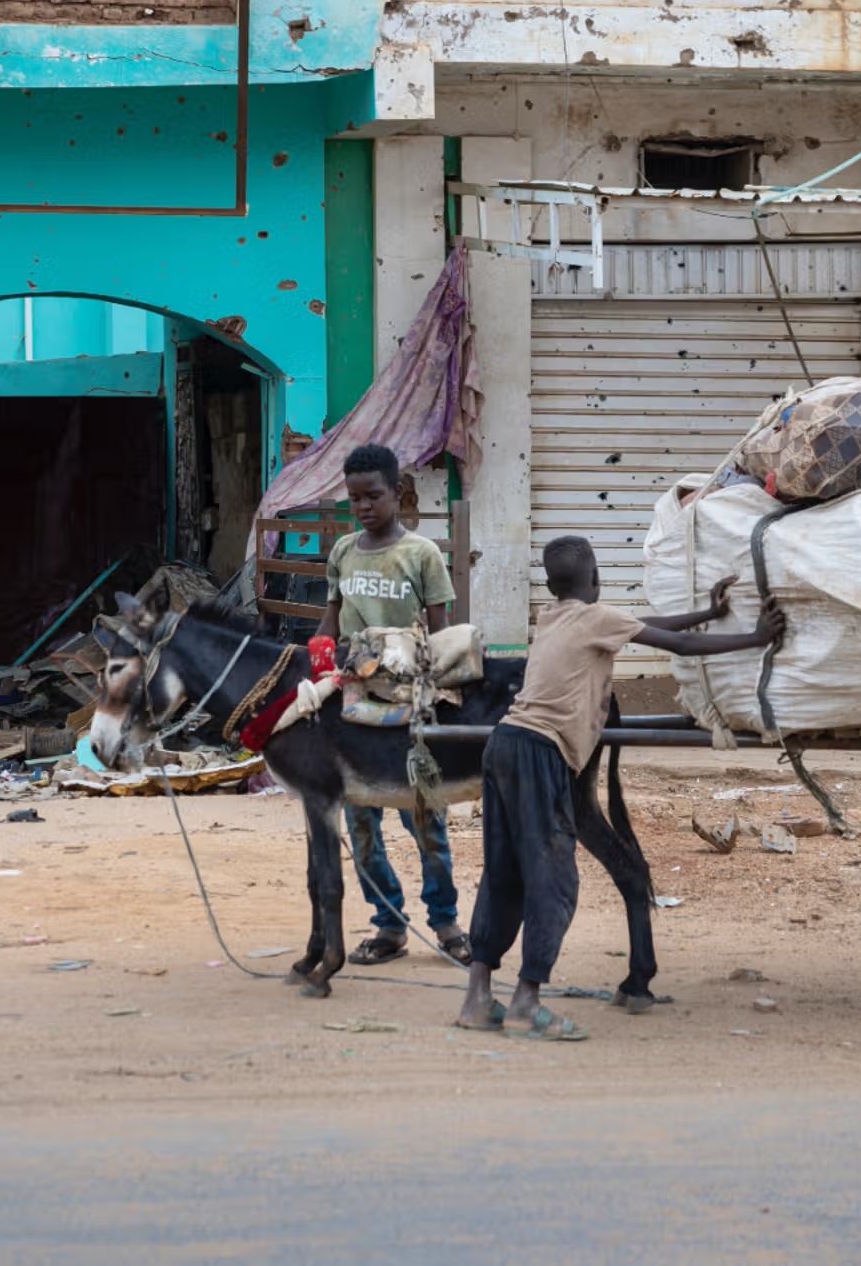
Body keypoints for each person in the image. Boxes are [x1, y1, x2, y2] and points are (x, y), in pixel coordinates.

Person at [456, 536, 784, 1041]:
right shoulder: (597, 618)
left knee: (503, 875)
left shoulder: (552, 616)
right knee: (554, 882)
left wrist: (705, 612)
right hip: (542, 754)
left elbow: (645, 631)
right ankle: (526, 1002)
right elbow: (673, 644)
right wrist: (755, 637)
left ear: (552, 585)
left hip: (503, 744)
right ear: (596, 582)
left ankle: (478, 998)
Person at [322, 442, 467, 965]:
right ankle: (388, 925)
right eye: (354, 498)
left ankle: (447, 924)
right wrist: (317, 664)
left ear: (398, 496)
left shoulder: (421, 554)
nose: (363, 506)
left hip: (410, 704)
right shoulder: (342, 552)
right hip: (355, 706)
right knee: (361, 825)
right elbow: (331, 621)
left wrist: (443, 694)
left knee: (426, 819)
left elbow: (443, 632)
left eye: (373, 496)